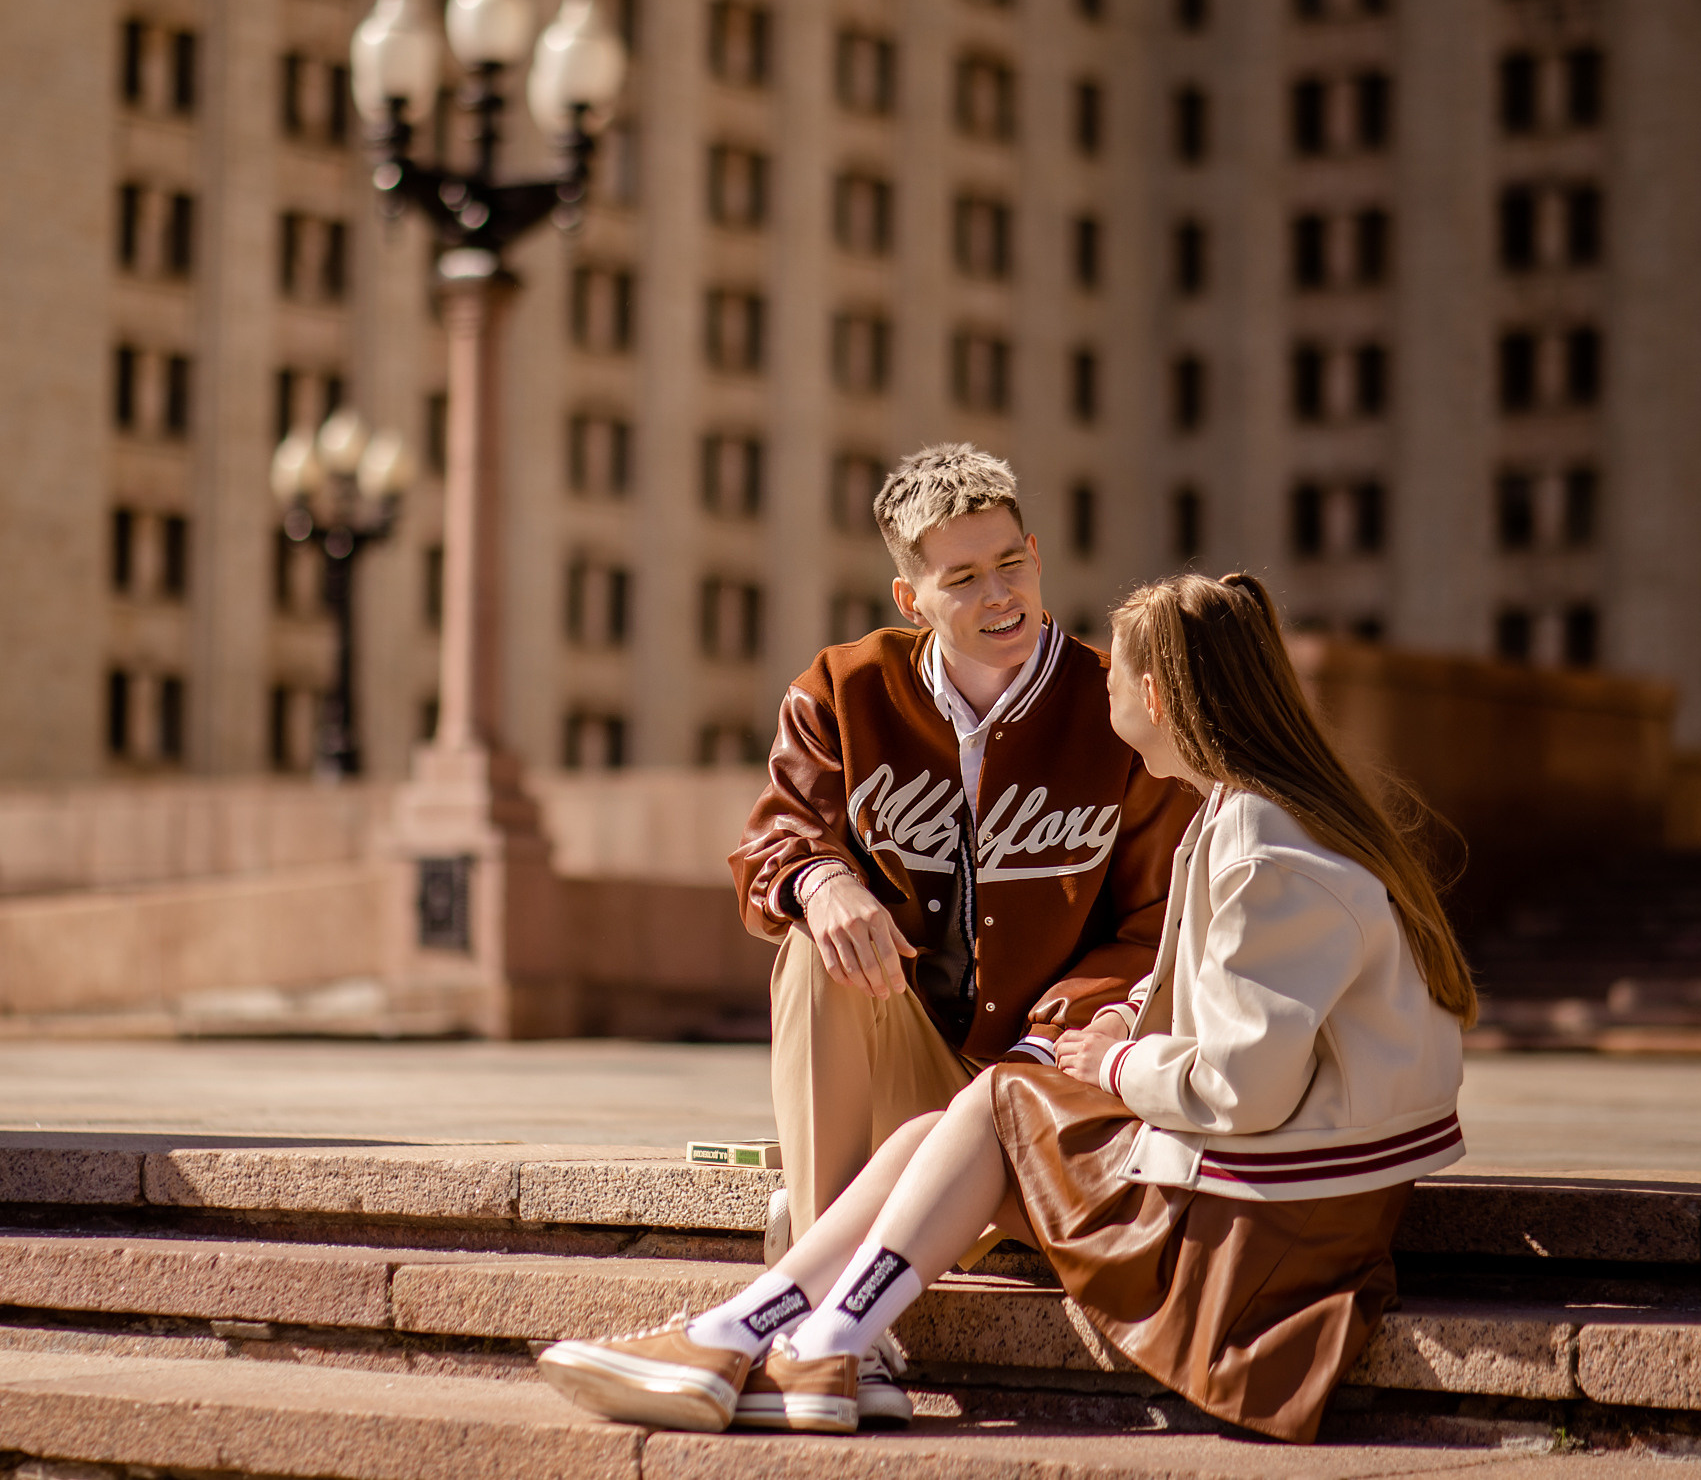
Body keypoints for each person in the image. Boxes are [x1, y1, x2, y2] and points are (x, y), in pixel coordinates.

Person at [538, 571, 1476, 1444]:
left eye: (1119, 670)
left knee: (994, 1103)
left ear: (1155, 699)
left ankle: (794, 1340)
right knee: (958, 1121)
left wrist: (1107, 1066)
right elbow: (1230, 1006)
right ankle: (784, 1338)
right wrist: (1123, 1022)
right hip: (1264, 1187)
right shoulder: (1247, 815)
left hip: (1268, 1232)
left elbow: (1243, 1087)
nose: (1098, 681)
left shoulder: (1268, 845)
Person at [722, 444, 1200, 1418]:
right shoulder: (842, 688)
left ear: (1034, 552)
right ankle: (846, 1335)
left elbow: (1159, 928)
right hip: (906, 1057)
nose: (1000, 597)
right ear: (911, 597)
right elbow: (774, 838)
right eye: (963, 578)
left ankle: (816, 1268)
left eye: (1010, 564)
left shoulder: (1118, 707)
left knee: (974, 1099)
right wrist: (819, 881)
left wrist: (1044, 1046)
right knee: (814, 943)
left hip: (1045, 1086)